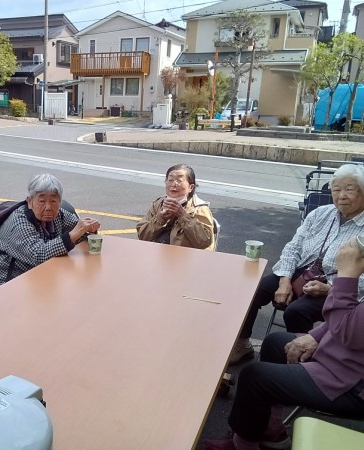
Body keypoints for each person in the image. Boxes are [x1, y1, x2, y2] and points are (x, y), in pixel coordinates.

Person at [204, 238, 364, 450]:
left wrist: (346, 276)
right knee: (274, 342)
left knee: (254, 377)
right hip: (345, 354)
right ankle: (270, 430)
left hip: (352, 381)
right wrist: (316, 336)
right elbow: (354, 317)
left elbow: (349, 333)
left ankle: (243, 445)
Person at [229, 163, 364, 364]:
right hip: (302, 272)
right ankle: (243, 343)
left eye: (349, 189)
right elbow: (293, 247)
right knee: (254, 290)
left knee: (296, 311)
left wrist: (330, 289)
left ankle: (298, 360)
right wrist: (284, 280)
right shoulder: (320, 214)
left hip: (338, 286)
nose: (342, 196)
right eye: (336, 190)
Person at [0, 174, 100, 288]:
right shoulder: (19, 221)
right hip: (10, 282)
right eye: (41, 201)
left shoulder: (59, 215)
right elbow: (39, 255)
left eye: (53, 201)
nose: (48, 207)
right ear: (29, 201)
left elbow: (79, 232)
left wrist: (89, 229)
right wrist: (73, 235)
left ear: (60, 201)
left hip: (41, 273)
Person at [136, 164, 216, 250]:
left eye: (179, 180)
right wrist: (160, 219)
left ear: (191, 187)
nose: (174, 184)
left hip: (185, 256)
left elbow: (205, 242)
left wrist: (183, 216)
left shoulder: (199, 208)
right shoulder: (158, 204)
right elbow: (142, 236)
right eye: (170, 180)